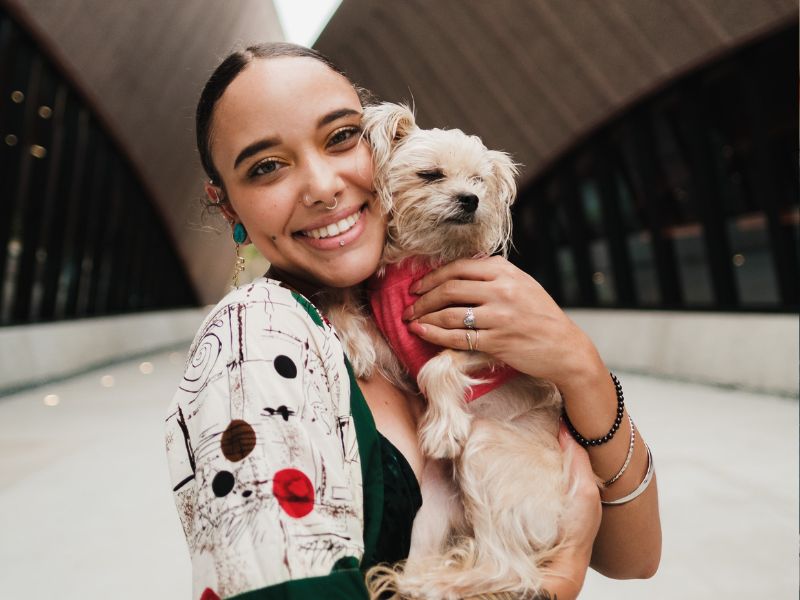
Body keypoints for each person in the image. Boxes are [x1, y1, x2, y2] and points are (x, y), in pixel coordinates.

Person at [165, 42, 661, 600]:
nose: (323, 185)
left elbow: (636, 557)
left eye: (340, 137)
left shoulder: (410, 313)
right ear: (228, 205)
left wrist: (579, 367)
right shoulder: (254, 339)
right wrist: (554, 583)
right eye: (267, 167)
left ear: (380, 143)